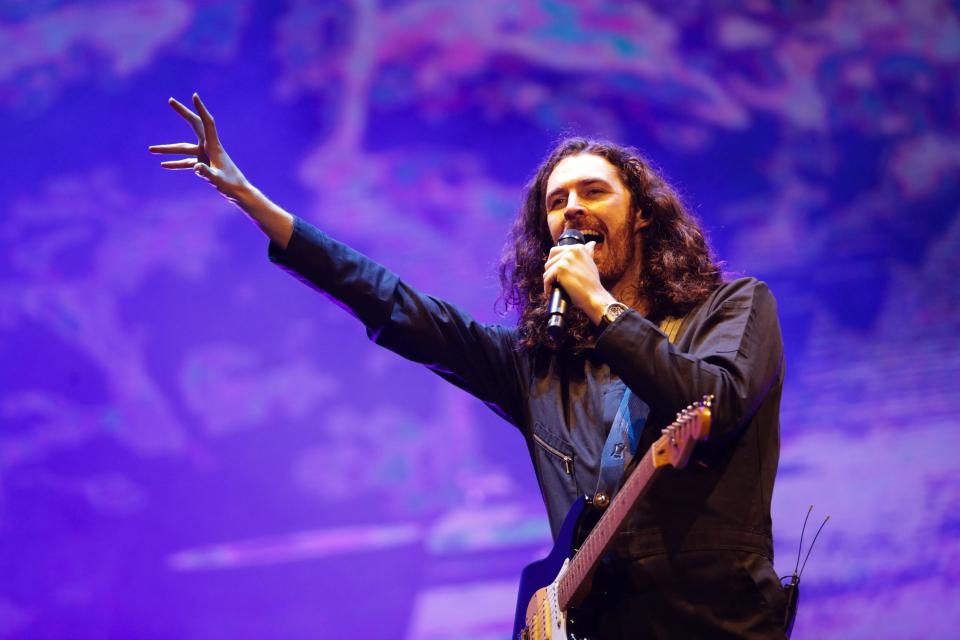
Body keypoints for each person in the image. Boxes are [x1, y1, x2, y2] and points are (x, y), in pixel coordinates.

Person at [151, 94, 788, 639]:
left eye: (594, 192)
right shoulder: (535, 368)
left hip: (711, 622)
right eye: (556, 200)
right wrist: (256, 204)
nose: (572, 208)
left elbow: (715, 403)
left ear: (642, 212)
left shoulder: (735, 307)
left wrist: (598, 303)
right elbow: (394, 302)